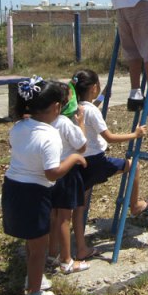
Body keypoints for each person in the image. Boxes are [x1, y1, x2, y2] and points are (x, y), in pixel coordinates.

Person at [1, 76, 87, 295]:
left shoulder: (18, 127)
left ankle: (33, 279)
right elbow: (52, 174)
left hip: (12, 188)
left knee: (32, 242)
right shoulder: (50, 135)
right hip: (35, 193)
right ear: (56, 107)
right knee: (38, 248)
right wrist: (73, 158)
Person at [70, 69, 148, 260]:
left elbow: (91, 108)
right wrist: (135, 134)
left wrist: (103, 95)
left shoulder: (75, 108)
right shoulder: (91, 111)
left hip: (80, 163)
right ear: (94, 88)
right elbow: (110, 137)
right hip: (97, 162)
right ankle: (136, 205)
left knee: (79, 207)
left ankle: (80, 247)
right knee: (134, 166)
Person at [48, 83, 90, 274]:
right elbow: (82, 146)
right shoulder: (65, 123)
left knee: (54, 215)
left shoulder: (44, 121)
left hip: (50, 173)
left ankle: (52, 253)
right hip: (67, 174)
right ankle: (67, 260)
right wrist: (81, 124)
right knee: (65, 217)